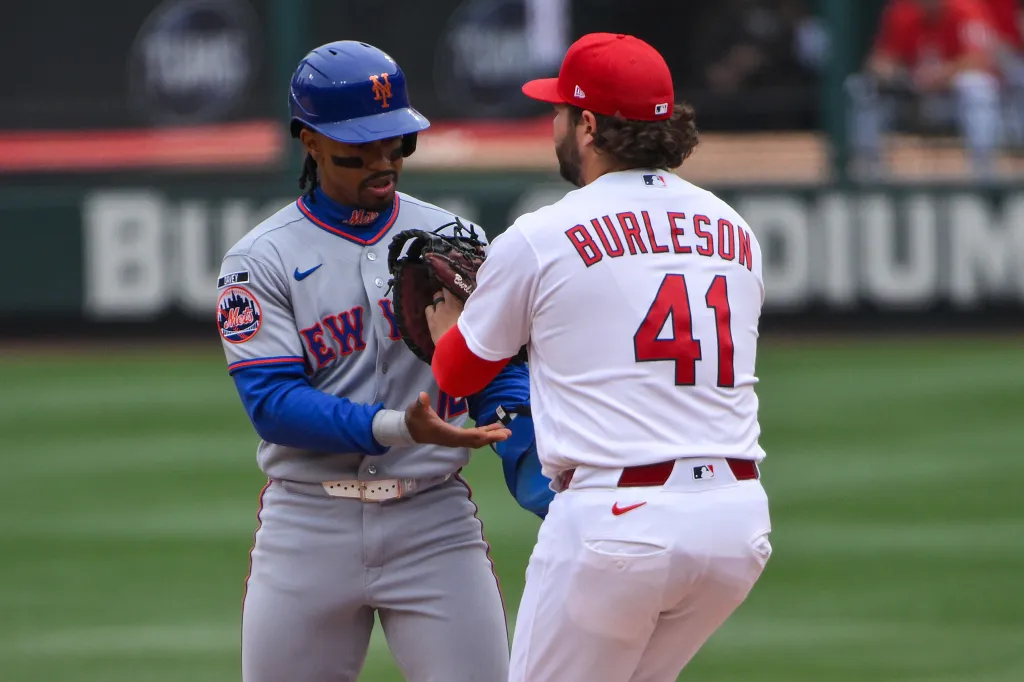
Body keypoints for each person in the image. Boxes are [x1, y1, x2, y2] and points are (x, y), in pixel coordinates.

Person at [426, 32, 773, 682]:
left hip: (619, 524)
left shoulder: (543, 233)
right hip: (736, 521)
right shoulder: (735, 229)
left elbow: (458, 374)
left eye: (560, 111)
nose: (554, 124)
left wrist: (451, 327)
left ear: (587, 125)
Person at [216, 40, 540, 682]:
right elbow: (272, 404)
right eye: (359, 147)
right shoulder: (261, 258)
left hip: (434, 522)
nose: (383, 160)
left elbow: (495, 370)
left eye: (396, 142)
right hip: (308, 525)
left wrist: (528, 453)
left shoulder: (456, 240)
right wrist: (396, 427)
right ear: (309, 142)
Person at [846, 0, 1003, 178]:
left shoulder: (966, 9)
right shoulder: (902, 12)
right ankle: (868, 169)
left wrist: (942, 74)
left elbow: (980, 58)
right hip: (913, 97)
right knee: (863, 88)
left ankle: (983, 168)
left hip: (951, 99)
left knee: (978, 86)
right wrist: (894, 72)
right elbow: (879, 60)